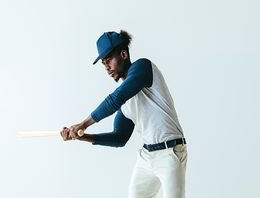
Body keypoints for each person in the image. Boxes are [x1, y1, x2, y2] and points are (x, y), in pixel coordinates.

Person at [60, 30, 188, 198]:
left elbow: (116, 98)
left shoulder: (143, 67)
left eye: (109, 59)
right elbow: (119, 138)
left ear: (124, 54)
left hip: (171, 152)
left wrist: (83, 124)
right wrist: (82, 136)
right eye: (103, 63)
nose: (106, 67)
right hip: (146, 157)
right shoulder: (125, 103)